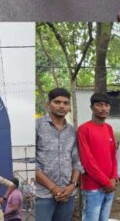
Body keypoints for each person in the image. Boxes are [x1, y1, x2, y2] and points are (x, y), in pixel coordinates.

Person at [35, 88, 82, 221]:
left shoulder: (72, 131)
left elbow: (76, 160)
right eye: (57, 102)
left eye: (66, 103)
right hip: (43, 194)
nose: (62, 106)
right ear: (48, 104)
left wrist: (72, 185)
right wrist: (53, 188)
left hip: (68, 193)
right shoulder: (38, 126)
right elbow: (33, 162)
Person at [77, 92, 117, 221]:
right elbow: (87, 161)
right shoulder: (84, 129)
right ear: (92, 107)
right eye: (99, 105)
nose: (104, 108)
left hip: (110, 186)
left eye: (106, 105)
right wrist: (106, 182)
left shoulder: (109, 128)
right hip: (93, 187)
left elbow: (113, 156)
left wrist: (114, 178)